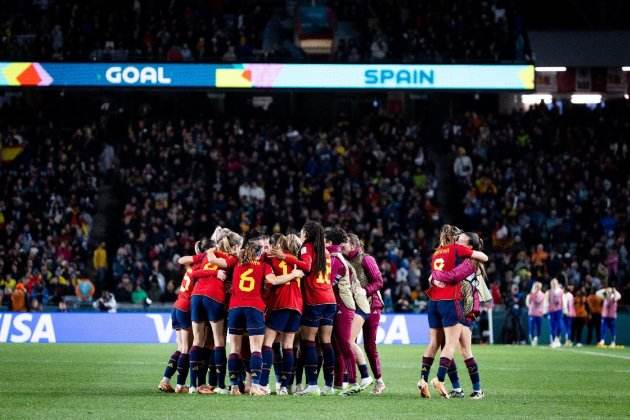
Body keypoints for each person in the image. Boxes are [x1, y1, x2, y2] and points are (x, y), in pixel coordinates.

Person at [226, 239, 303, 395]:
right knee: (256, 349)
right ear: (259, 254)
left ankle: (234, 386)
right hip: (254, 308)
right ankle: (255, 386)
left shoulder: (237, 263)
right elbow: (273, 281)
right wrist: (293, 274)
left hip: (234, 308)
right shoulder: (264, 266)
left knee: (234, 349)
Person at [419, 225, 488, 399]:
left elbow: (453, 276)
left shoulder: (470, 261)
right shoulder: (458, 254)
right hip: (453, 302)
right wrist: (435, 276)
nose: (458, 238)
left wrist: (436, 276)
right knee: (447, 346)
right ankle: (457, 388)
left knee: (464, 349)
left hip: (464, 307)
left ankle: (476, 389)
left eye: (462, 237)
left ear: (469, 245)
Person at [271, 221, 335, 397]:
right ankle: (330, 385)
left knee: (308, 342)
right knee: (326, 342)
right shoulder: (326, 251)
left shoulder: (307, 247)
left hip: (315, 299)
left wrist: (285, 257)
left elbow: (306, 266)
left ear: (307, 234)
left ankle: (312, 384)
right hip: (330, 299)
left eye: (301, 232)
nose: (300, 235)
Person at [187, 228, 242, 394]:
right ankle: (220, 385)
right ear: (234, 246)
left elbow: (193, 272)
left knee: (198, 341)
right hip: (214, 297)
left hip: (196, 296)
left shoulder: (207, 255)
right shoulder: (232, 258)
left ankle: (193, 385)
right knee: (219, 341)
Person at [259, 234, 303, 395]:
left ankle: (263, 383)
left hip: (280, 303)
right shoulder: (296, 261)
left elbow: (270, 278)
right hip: (297, 305)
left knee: (267, 343)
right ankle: (284, 386)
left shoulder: (271, 258)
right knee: (288, 346)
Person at [344, 233, 386, 394]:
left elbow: (379, 281)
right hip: (354, 306)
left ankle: (379, 381)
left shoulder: (366, 259)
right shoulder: (345, 260)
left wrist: (364, 291)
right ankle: (352, 380)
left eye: (344, 245)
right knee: (349, 342)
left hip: (372, 305)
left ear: (354, 245)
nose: (342, 248)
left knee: (369, 345)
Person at [326, 227, 359, 395]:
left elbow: (328, 283)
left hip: (343, 307)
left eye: (325, 241)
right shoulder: (336, 258)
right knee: (336, 346)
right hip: (338, 306)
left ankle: (353, 382)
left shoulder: (336, 260)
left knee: (344, 344)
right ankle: (338, 383)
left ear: (330, 243)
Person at [545, 279, 564, 348]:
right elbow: (546, 301)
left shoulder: (561, 291)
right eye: (552, 283)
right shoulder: (549, 292)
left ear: (557, 283)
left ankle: (557, 339)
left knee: (560, 326)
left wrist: (564, 309)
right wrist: (546, 311)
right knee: (552, 326)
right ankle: (553, 340)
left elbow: (563, 300)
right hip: (551, 310)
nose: (553, 284)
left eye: (555, 283)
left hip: (559, 310)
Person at [526, 282, 544, 346]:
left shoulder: (541, 294)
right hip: (531, 313)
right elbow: (528, 303)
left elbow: (538, 301)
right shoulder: (530, 294)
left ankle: (536, 338)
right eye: (535, 286)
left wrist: (533, 295)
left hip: (538, 313)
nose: (536, 288)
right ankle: (532, 339)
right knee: (531, 327)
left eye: (538, 286)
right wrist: (530, 306)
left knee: (538, 328)